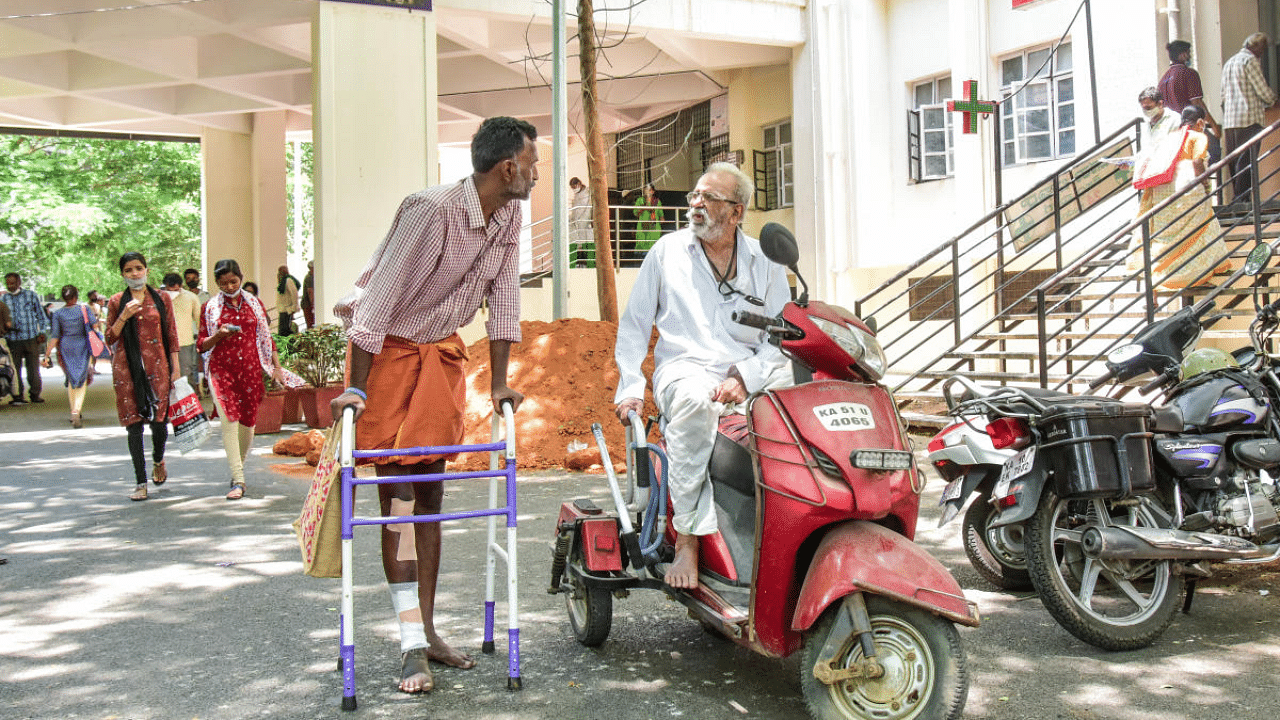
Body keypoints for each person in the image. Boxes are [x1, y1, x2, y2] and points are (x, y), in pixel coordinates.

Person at [329, 115, 533, 695]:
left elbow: (505, 300)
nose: (537, 174)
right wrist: (360, 390)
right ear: (507, 168)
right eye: (534, 164)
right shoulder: (429, 209)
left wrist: (499, 383)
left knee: (433, 496)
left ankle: (429, 630)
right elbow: (377, 304)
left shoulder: (510, 214)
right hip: (387, 355)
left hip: (439, 355)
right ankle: (410, 644)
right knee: (396, 506)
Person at [613, 162, 791, 590]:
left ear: (737, 211)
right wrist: (632, 388)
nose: (696, 203)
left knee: (801, 397)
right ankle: (689, 540)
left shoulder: (765, 262)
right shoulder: (667, 252)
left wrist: (746, 377)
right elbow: (635, 326)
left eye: (709, 198)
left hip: (746, 370)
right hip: (684, 368)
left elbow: (782, 333)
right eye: (695, 195)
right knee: (695, 401)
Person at [198, 259, 292, 500]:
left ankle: (238, 468)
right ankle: (238, 479)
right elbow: (201, 345)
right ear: (217, 283)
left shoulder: (254, 304)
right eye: (223, 283)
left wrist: (277, 368)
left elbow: (265, 337)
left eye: (233, 282)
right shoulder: (209, 308)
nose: (229, 287)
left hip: (250, 371)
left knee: (248, 422)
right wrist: (218, 335)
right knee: (228, 419)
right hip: (221, 370)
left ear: (241, 278)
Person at [1128, 106, 1231, 290]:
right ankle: (1201, 274)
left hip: (1163, 192)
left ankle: (1159, 284)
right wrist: (1206, 185)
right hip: (1187, 187)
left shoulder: (1169, 138)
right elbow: (1198, 162)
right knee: (1199, 228)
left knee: (1165, 240)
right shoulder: (1198, 136)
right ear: (1200, 123)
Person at [105, 252, 180, 502]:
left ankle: (159, 459)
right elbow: (110, 337)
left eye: (139, 268)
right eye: (129, 270)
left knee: (159, 423)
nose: (135, 274)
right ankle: (140, 482)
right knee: (134, 425)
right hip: (127, 370)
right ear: (122, 274)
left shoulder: (162, 298)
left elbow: (171, 334)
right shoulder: (117, 302)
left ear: (147, 270)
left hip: (158, 368)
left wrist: (176, 368)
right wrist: (124, 316)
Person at [1221, 33, 1278, 204]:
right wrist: (1272, 99)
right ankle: (1241, 200)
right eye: (1263, 48)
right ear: (1257, 47)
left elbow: (1223, 95)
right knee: (1247, 161)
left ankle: (1240, 199)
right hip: (1249, 118)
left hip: (1231, 120)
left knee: (1236, 162)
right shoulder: (1250, 61)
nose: (1263, 52)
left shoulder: (1230, 62)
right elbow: (1262, 90)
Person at [1158, 40, 1220, 159]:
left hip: (1170, 128)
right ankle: (1205, 177)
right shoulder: (1189, 74)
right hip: (1189, 125)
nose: (1190, 55)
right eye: (1188, 52)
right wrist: (1214, 125)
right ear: (1182, 54)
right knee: (1214, 149)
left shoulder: (1164, 79)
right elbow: (1197, 103)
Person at [44, 285, 96, 428]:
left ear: (63, 297)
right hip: (83, 345)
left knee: (72, 377)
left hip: (66, 345)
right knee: (82, 377)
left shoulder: (57, 314)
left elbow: (54, 336)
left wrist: (47, 354)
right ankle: (76, 409)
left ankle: (74, 410)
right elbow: (94, 325)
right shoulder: (84, 309)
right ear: (76, 296)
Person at [3, 272, 50, 405]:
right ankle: (18, 396)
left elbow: (41, 316)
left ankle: (35, 394)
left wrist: (41, 332)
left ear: (19, 283)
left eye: (12, 283)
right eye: (7, 283)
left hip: (31, 338)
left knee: (33, 369)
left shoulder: (31, 295)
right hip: (12, 339)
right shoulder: (4, 299)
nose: (10, 285)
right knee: (15, 369)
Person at [163, 273, 202, 393]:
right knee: (166, 375)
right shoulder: (161, 297)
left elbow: (199, 319)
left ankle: (189, 404)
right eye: (169, 289)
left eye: (175, 289)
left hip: (185, 342)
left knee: (186, 373)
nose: (172, 291)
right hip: (164, 343)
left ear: (180, 286)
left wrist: (202, 340)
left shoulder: (191, 297)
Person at [1138, 87, 1180, 152]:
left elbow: (1175, 147)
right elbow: (1144, 150)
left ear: (1160, 104)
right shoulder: (1146, 123)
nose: (1146, 111)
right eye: (1143, 108)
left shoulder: (1174, 119)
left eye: (1148, 107)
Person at [568, 177, 594, 268]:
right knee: (573, 245)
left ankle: (591, 267)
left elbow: (589, 209)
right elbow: (575, 211)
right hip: (576, 226)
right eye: (572, 188)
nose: (574, 189)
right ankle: (571, 267)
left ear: (579, 183)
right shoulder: (576, 196)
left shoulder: (588, 193)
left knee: (589, 247)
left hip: (587, 224)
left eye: (574, 187)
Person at [632, 183, 664, 256]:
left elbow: (661, 217)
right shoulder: (640, 200)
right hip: (642, 227)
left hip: (654, 227)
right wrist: (644, 207)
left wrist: (658, 219)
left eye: (649, 190)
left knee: (653, 246)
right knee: (642, 244)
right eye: (646, 190)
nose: (647, 192)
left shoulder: (657, 201)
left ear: (653, 191)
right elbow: (635, 213)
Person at [276, 265, 301, 336]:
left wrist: (294, 307)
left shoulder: (288, 280)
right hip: (283, 309)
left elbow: (294, 293)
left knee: (284, 331)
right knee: (282, 330)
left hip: (287, 309)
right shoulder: (282, 282)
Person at [301, 260, 315, 329]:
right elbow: (310, 292)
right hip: (308, 305)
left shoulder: (310, 277)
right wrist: (313, 305)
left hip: (307, 305)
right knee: (311, 325)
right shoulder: (310, 278)